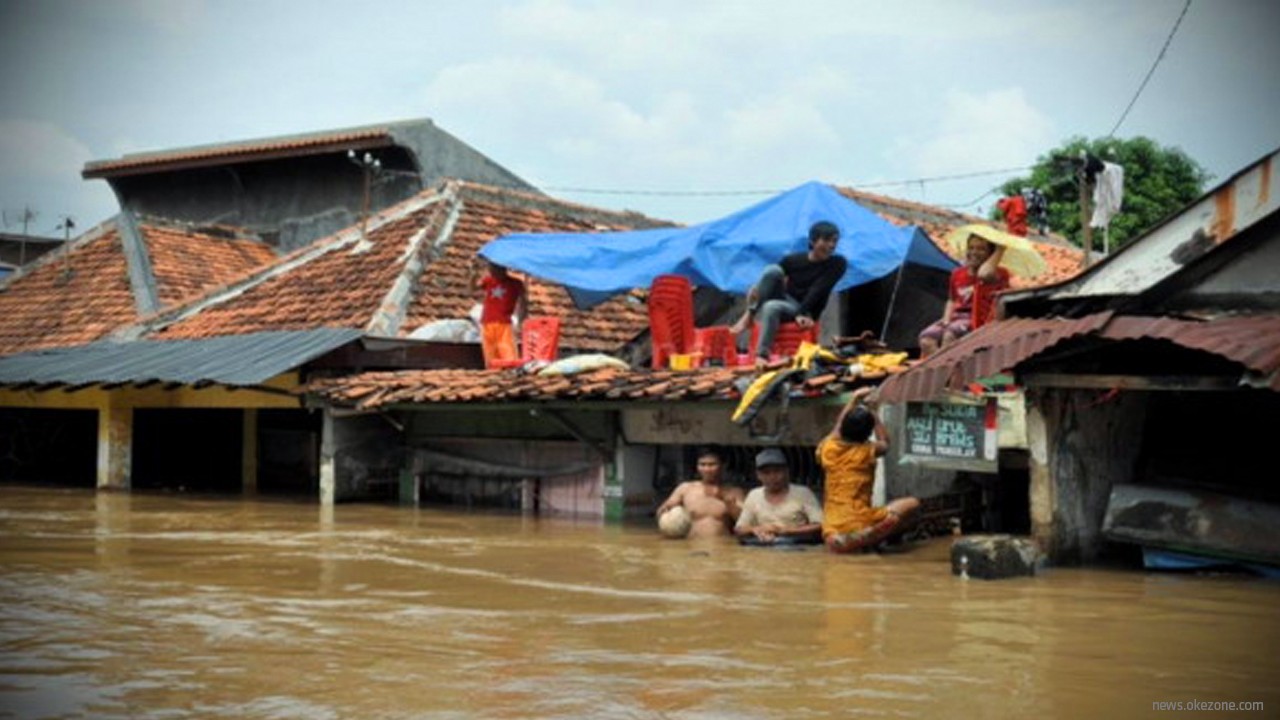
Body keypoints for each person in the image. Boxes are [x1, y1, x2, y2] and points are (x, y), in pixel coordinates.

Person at [729, 221, 847, 368]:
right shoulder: (793, 260)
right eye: (826, 240)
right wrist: (756, 288)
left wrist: (802, 312)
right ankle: (749, 316)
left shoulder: (838, 263)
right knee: (772, 270)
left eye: (834, 241)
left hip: (807, 311)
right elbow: (770, 277)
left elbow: (818, 289)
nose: (831, 245)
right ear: (813, 240)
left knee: (771, 307)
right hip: (788, 301)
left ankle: (762, 356)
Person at [819, 386, 919, 554]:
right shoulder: (867, 451)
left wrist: (854, 397)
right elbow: (885, 441)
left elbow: (837, 427)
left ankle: (856, 540)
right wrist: (874, 411)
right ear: (867, 435)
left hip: (831, 524)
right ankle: (878, 538)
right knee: (913, 504)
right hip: (860, 519)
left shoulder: (828, 448)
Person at [917, 234, 1010, 358]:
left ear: (990, 254)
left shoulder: (997, 274)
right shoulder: (957, 274)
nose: (974, 252)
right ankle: (940, 370)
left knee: (949, 336)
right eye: (971, 248)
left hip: (978, 319)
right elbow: (951, 300)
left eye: (981, 249)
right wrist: (946, 320)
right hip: (956, 318)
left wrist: (1000, 250)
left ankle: (947, 371)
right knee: (926, 339)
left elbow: (984, 274)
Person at [734, 448, 823, 545]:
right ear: (758, 475)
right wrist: (756, 529)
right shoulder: (754, 495)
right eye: (766, 473)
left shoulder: (803, 493)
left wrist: (787, 530)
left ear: (786, 472)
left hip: (796, 545)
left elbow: (820, 525)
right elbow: (739, 529)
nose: (772, 477)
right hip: (763, 545)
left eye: (777, 471)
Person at [656, 446, 745, 539]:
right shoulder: (685, 489)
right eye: (702, 464)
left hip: (722, 547)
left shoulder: (734, 492)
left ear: (723, 465)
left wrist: (731, 505)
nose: (706, 469)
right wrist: (665, 510)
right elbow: (661, 513)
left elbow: (745, 524)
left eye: (712, 464)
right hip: (691, 546)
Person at [470, 258, 526, 368]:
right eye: (490, 269)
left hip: (503, 323)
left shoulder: (515, 283)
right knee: (491, 359)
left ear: (502, 268)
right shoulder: (489, 280)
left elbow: (523, 303)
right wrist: (473, 274)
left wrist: (521, 321)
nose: (491, 272)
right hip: (487, 323)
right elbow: (473, 288)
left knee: (509, 357)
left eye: (494, 269)